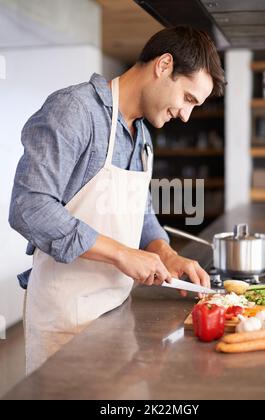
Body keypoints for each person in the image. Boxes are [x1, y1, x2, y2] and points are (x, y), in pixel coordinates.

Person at [9, 25, 225, 374]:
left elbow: (140, 213)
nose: (186, 116)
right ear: (164, 65)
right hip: (65, 322)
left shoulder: (142, 138)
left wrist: (165, 254)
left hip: (117, 313)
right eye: (188, 99)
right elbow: (28, 207)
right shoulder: (75, 111)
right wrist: (122, 254)